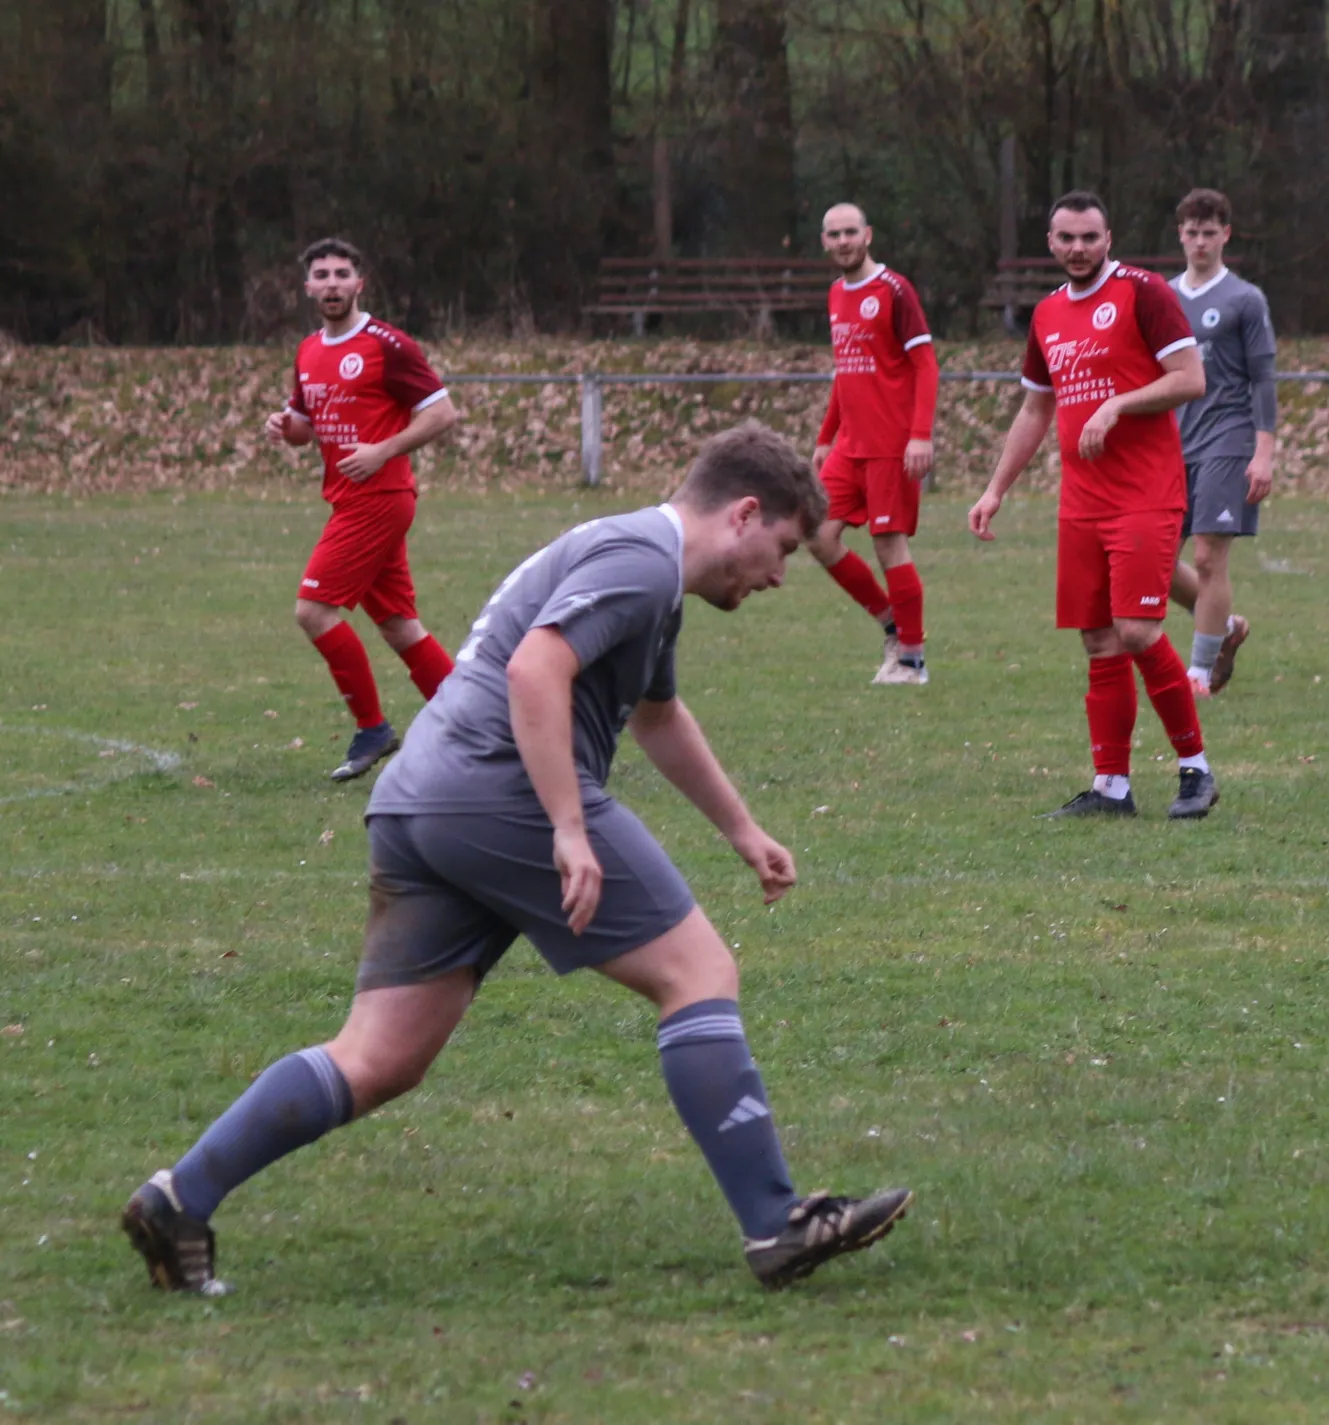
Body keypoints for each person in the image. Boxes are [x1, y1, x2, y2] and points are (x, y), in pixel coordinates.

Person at [121, 422, 913, 1296]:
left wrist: (742, 830)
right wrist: (569, 827)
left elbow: (656, 716)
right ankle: (777, 1223)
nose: (777, 574)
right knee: (698, 973)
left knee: (380, 1056)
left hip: (423, 797)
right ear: (745, 513)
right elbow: (537, 671)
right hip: (500, 791)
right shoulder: (642, 563)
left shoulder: (643, 564)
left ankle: (178, 1195)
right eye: (785, 549)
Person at [970, 191, 1219, 820]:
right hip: (1082, 502)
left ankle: (1196, 770)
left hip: (1145, 494)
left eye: (1088, 237)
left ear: (1108, 238)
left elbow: (1191, 378)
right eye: (1064, 238)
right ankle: (1112, 788)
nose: (1076, 249)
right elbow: (1034, 408)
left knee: (1137, 630)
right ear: (1049, 243)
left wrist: (1117, 403)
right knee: (1099, 640)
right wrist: (995, 489)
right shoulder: (1049, 312)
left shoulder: (1143, 293)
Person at [265, 238, 462, 782]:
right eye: (321, 275)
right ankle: (480, 727)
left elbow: (443, 414)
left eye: (341, 274)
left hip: (380, 499)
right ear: (308, 287)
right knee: (400, 625)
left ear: (359, 284)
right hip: (347, 498)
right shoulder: (307, 351)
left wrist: (383, 450)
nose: (331, 283)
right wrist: (285, 428)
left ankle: (372, 727)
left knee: (313, 610)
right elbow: (305, 428)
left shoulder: (387, 345)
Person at [808, 202, 941, 684]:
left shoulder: (894, 290)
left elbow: (926, 365)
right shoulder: (836, 294)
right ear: (824, 241)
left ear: (868, 234)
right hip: (851, 445)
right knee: (818, 534)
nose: (842, 241)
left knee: (889, 547)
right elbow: (847, 370)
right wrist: (827, 437)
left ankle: (912, 660)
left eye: (850, 232)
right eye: (833, 234)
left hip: (891, 443)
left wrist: (920, 435)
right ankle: (893, 622)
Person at [1166, 188, 1276, 696]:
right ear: (1180, 235)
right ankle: (1226, 627)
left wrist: (1264, 452)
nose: (1201, 242)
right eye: (1193, 233)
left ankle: (1198, 673)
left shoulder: (1244, 299)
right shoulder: (1163, 298)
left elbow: (1263, 380)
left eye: (1210, 233)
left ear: (1225, 235)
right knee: (1155, 563)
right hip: (1172, 442)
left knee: (1210, 558)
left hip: (1227, 439)